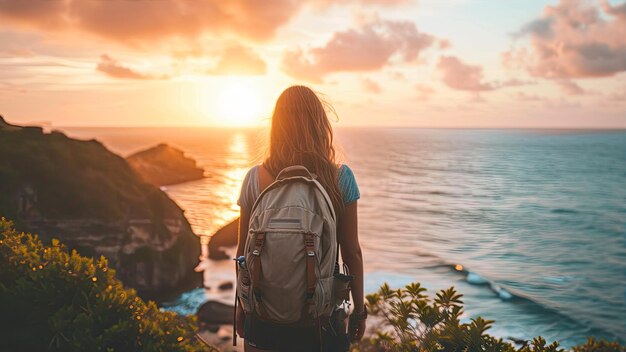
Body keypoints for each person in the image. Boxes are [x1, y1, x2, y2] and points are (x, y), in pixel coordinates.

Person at [235, 85, 366, 351]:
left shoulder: (253, 179)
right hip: (320, 323)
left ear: (276, 126)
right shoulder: (340, 178)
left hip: (263, 321)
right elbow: (352, 252)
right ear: (320, 125)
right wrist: (358, 310)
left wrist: (241, 306)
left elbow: (242, 253)